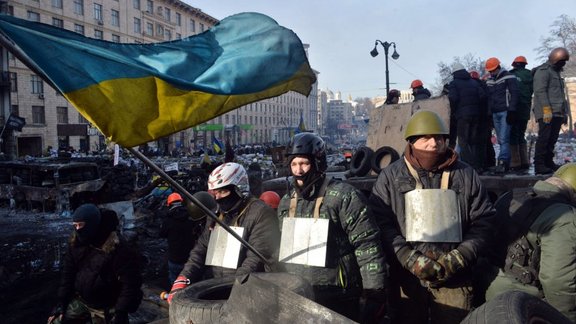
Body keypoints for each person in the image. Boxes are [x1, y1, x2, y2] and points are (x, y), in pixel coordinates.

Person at [368, 110, 496, 324]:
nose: (434, 143)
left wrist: (461, 256)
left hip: (455, 276)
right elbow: (381, 223)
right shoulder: (390, 176)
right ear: (411, 141)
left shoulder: (465, 174)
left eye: (439, 138)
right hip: (407, 277)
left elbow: (484, 220)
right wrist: (407, 257)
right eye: (425, 137)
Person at [277, 132, 388, 322]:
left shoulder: (343, 196)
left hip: (339, 293)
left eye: (304, 163)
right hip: (300, 293)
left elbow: (367, 245)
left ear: (318, 163)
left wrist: (374, 290)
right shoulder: (287, 202)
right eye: (294, 164)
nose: (299, 170)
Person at [166, 162, 280, 303]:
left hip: (247, 292)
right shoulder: (216, 213)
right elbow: (201, 250)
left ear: (239, 188)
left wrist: (230, 290)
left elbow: (256, 258)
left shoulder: (261, 213)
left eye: (223, 191)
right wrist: (184, 278)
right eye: (215, 192)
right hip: (217, 285)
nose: (218, 197)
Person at [485, 163, 576, 322]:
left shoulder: (510, 196)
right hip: (521, 302)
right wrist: (566, 319)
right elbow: (558, 282)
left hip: (486, 285)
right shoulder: (565, 217)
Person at [48, 204, 143, 324]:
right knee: (55, 321)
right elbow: (68, 273)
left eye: (80, 225)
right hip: (82, 300)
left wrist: (121, 311)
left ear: (91, 224)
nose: (77, 229)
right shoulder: (76, 243)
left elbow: (130, 284)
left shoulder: (118, 248)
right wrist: (61, 302)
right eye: (75, 225)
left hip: (107, 306)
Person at [160, 191, 215, 284]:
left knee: (176, 284)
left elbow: (161, 234)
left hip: (175, 258)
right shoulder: (192, 215)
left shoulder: (168, 220)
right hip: (192, 258)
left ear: (169, 204)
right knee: (193, 284)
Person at [532, 47, 570, 175]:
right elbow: (540, 91)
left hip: (557, 111)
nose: (563, 64)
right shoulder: (543, 71)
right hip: (546, 111)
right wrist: (546, 109)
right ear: (555, 59)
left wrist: (564, 113)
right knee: (544, 138)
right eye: (562, 62)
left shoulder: (556, 73)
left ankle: (548, 162)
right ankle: (539, 164)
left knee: (552, 139)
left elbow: (560, 95)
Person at [448, 62, 486, 171]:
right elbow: (482, 96)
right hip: (476, 115)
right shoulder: (473, 83)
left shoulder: (454, 84)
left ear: (454, 73)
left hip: (463, 116)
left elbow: (453, 99)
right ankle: (478, 166)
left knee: (463, 141)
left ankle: (469, 166)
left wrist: (454, 112)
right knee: (473, 141)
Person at [485, 57, 519, 174]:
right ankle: (505, 164)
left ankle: (503, 161)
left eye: (492, 70)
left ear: (497, 67)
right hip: (495, 113)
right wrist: (489, 113)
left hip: (505, 111)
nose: (491, 73)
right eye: (489, 71)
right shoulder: (489, 81)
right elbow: (488, 98)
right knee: (501, 139)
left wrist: (512, 110)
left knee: (504, 138)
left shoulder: (508, 77)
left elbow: (514, 94)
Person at [509, 56, 534, 173]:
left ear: (515, 64)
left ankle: (515, 162)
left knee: (513, 134)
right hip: (525, 109)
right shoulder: (530, 75)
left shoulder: (511, 74)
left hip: (514, 109)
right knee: (521, 134)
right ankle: (524, 161)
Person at [470, 70, 496, 170]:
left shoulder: (473, 87)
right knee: (487, 142)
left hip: (478, 118)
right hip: (487, 118)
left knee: (478, 143)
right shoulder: (484, 86)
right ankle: (490, 163)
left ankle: (480, 165)